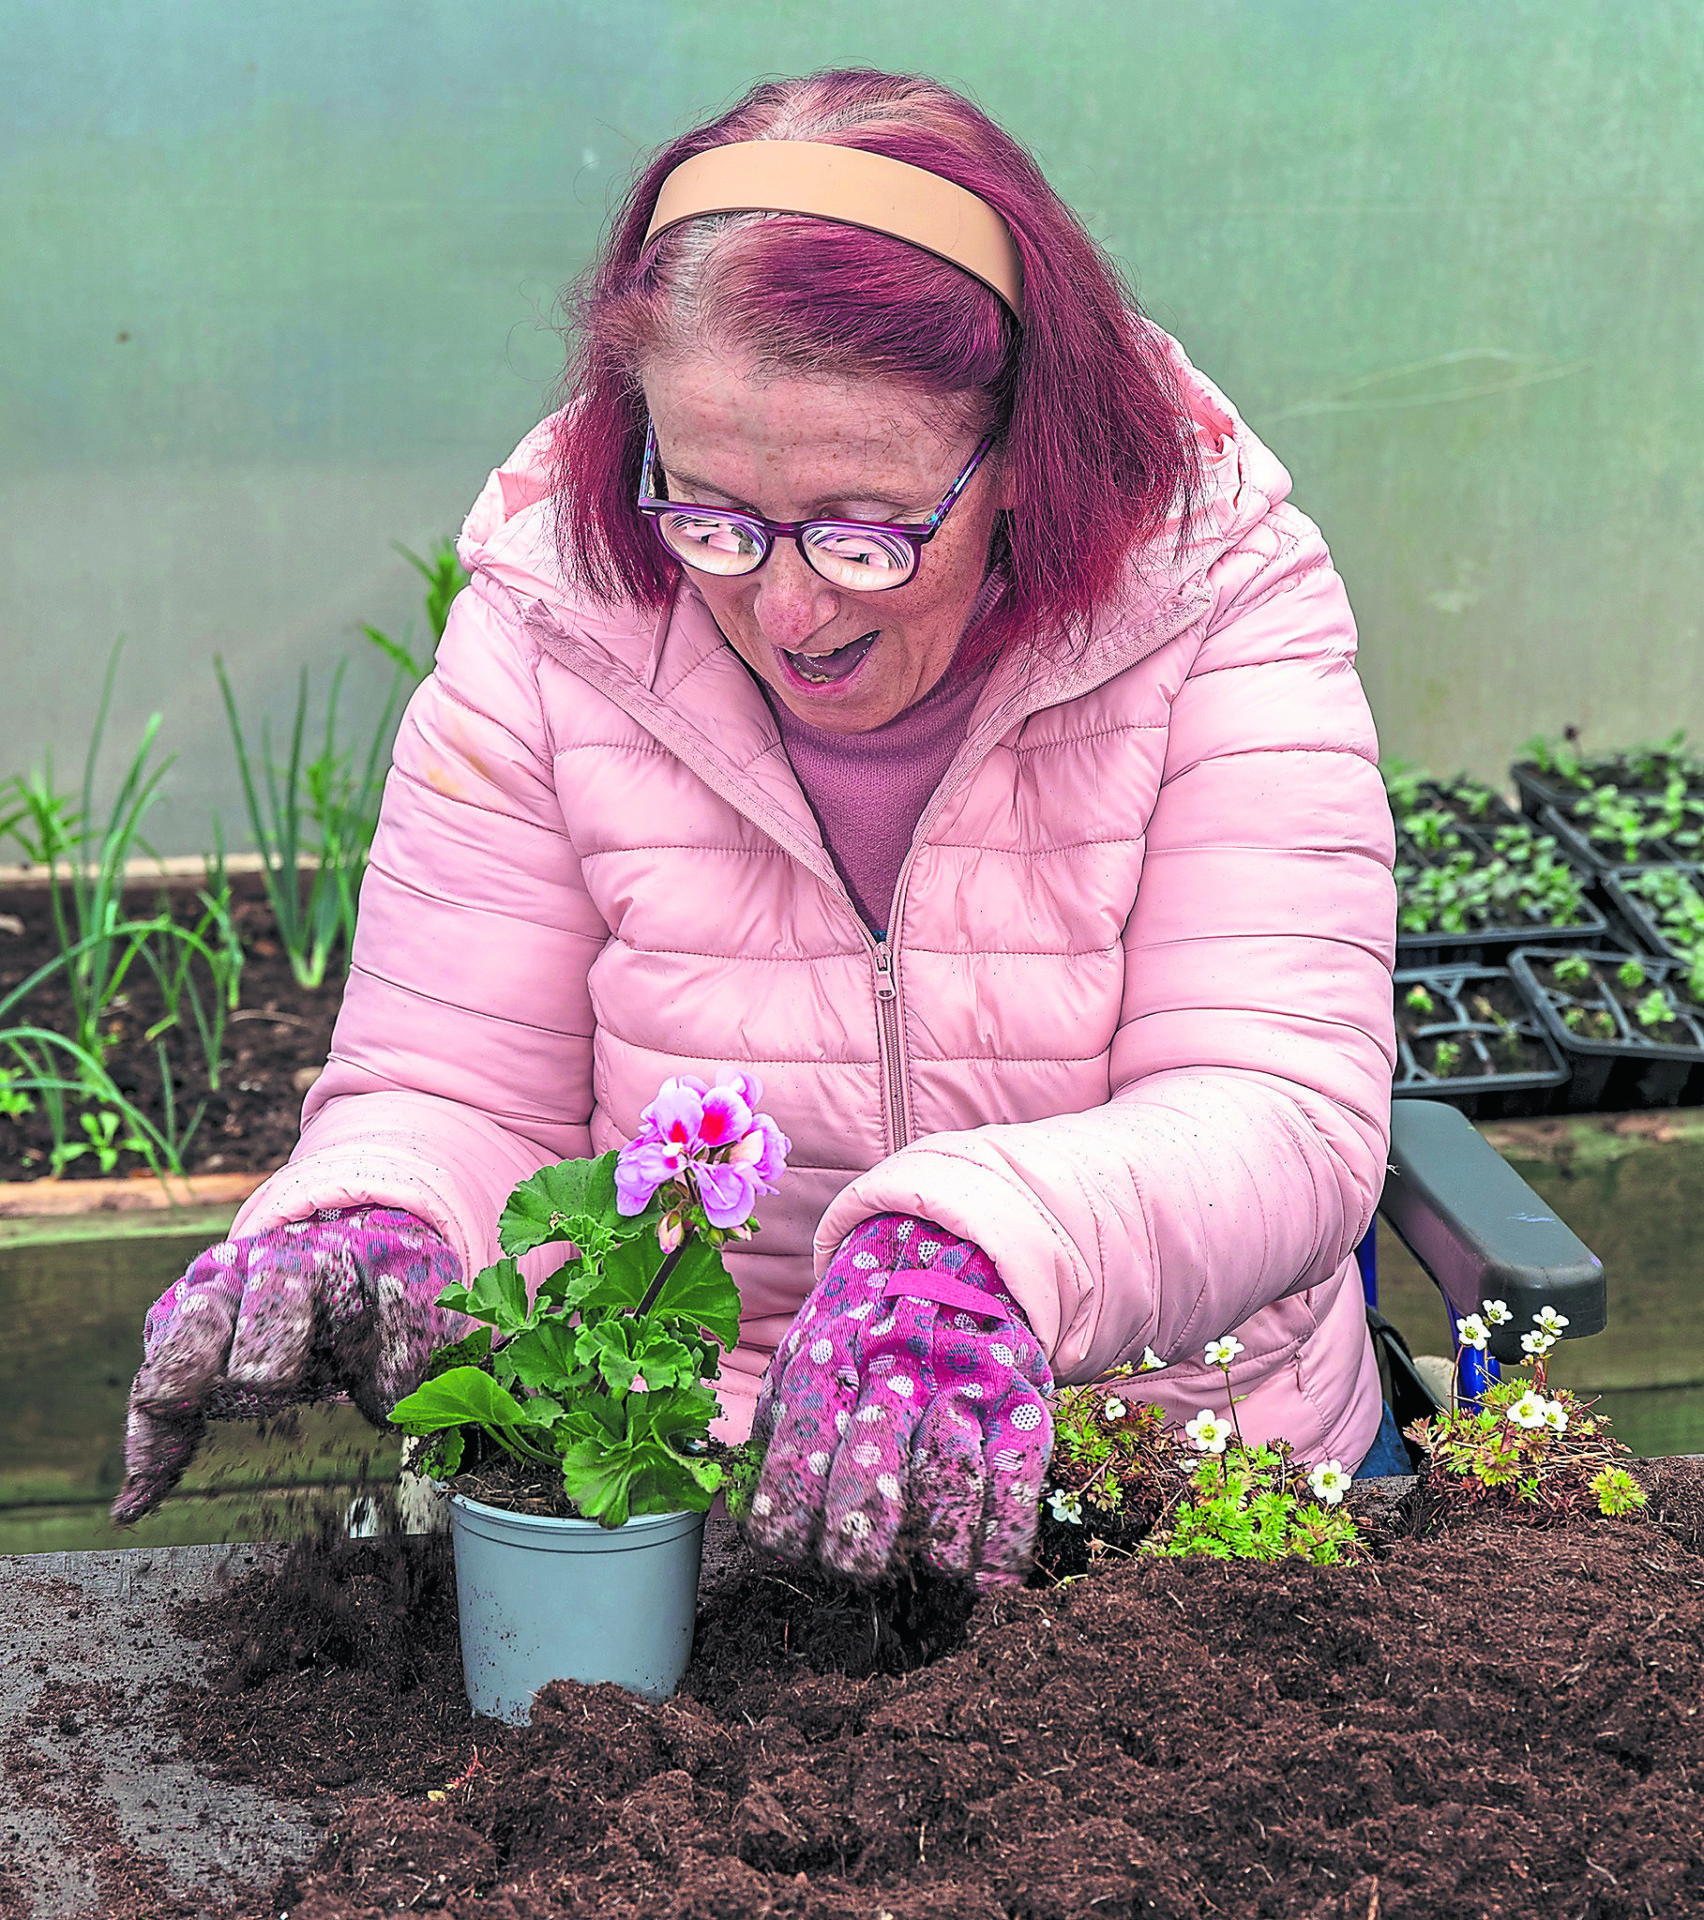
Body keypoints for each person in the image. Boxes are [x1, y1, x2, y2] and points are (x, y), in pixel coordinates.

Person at [113, 69, 1399, 1585]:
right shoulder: (555, 620)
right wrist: (372, 1213)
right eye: (713, 515)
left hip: (1170, 1493)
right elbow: (454, 1089)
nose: (787, 610)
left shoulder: (1213, 598)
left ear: (1025, 456)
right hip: (686, 1507)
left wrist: (969, 1253)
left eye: (870, 528)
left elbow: (1282, 1109)